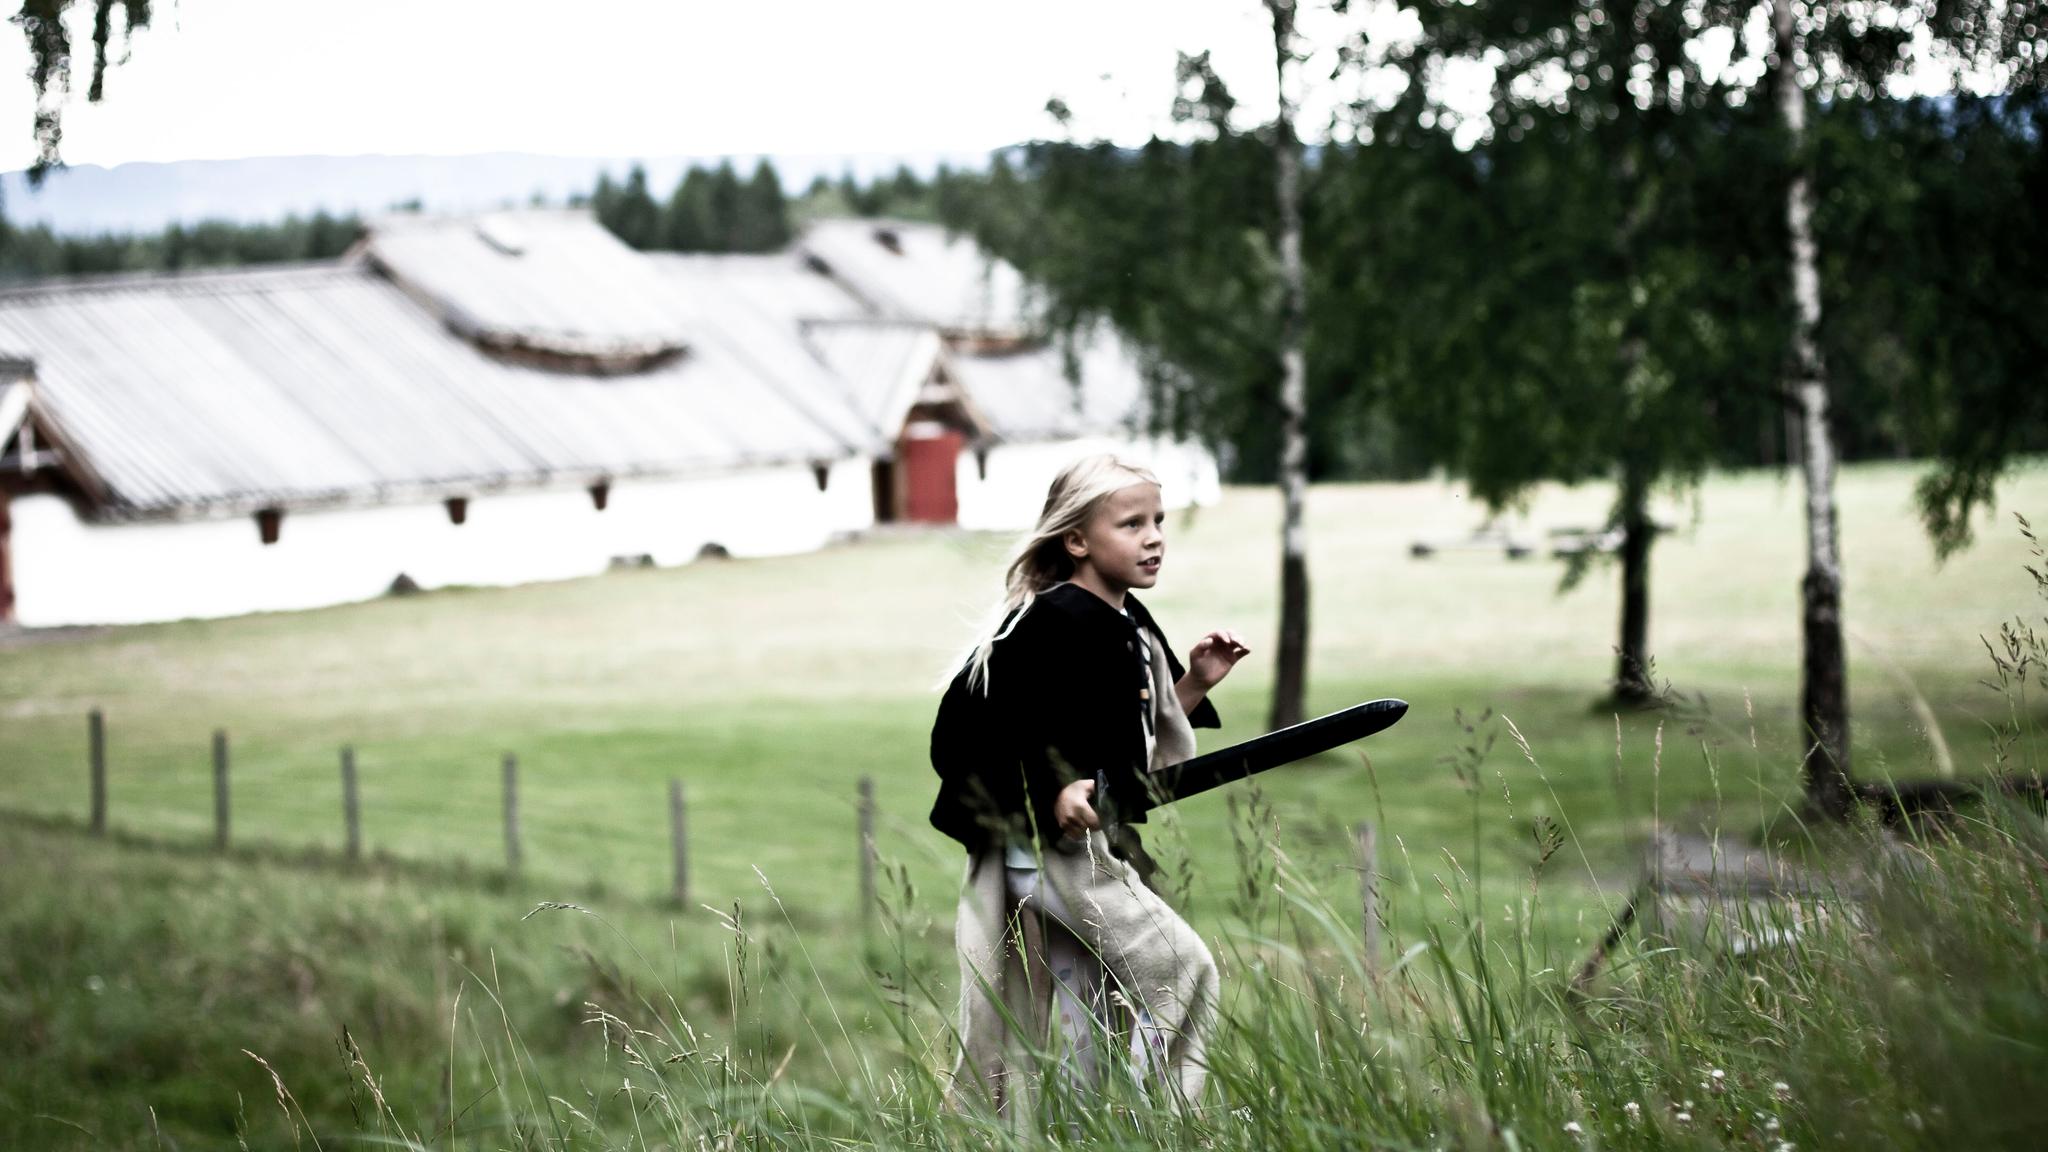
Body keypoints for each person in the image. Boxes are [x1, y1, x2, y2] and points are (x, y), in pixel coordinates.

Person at [928, 453, 1250, 1117]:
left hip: (1071, 851)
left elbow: (1123, 751)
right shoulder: (1046, 621)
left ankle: (1084, 1125)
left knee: (1083, 1006)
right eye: (1131, 523)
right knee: (1180, 967)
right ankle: (1163, 1123)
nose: (1155, 536)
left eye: (1158, 520)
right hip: (1048, 854)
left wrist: (1191, 684)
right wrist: (1053, 791)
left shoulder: (1123, 625)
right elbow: (976, 730)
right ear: (1076, 540)